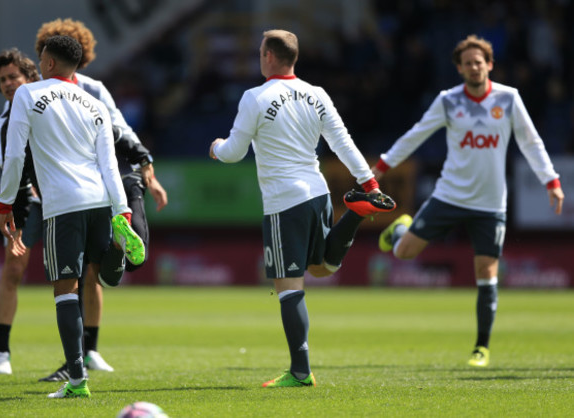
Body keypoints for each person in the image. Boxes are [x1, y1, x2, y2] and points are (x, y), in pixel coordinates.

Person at [209, 29, 395, 388]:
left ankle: (299, 371)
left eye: (260, 52)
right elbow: (342, 141)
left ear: (269, 57)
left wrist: (216, 147)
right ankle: (355, 212)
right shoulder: (317, 94)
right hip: (317, 192)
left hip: (284, 201)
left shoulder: (255, 97)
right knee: (323, 267)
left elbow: (233, 153)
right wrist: (369, 183)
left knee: (289, 286)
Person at [372, 34, 565, 368]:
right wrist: (383, 165)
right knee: (403, 253)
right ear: (459, 68)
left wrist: (551, 181)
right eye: (468, 63)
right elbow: (417, 133)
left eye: (480, 62)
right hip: (449, 194)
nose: (475, 67)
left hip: (490, 203)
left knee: (486, 272)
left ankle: (481, 348)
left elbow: (531, 142)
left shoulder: (508, 99)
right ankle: (402, 231)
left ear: (489, 65)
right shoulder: (448, 101)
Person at [0, 35, 145, 398]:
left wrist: (5, 204)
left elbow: (15, 156)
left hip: (62, 207)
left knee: (66, 290)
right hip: (100, 202)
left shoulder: (27, 96)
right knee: (92, 278)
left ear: (46, 63)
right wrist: (121, 211)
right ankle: (113, 253)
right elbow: (110, 164)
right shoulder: (93, 104)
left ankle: (77, 381)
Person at [33, 18, 168, 382]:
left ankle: (116, 247)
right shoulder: (38, 94)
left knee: (124, 259)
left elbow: (120, 127)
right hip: (85, 189)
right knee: (82, 274)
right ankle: (82, 354)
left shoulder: (92, 89)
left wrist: (145, 162)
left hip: (119, 174)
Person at [0, 48, 42, 375]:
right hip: (26, 205)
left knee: (80, 274)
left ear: (29, 78)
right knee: (13, 271)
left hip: (63, 200)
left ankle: (85, 352)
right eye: (2, 80)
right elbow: (14, 171)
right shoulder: (0, 133)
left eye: (13, 77)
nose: (8, 84)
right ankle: (1, 352)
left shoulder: (51, 107)